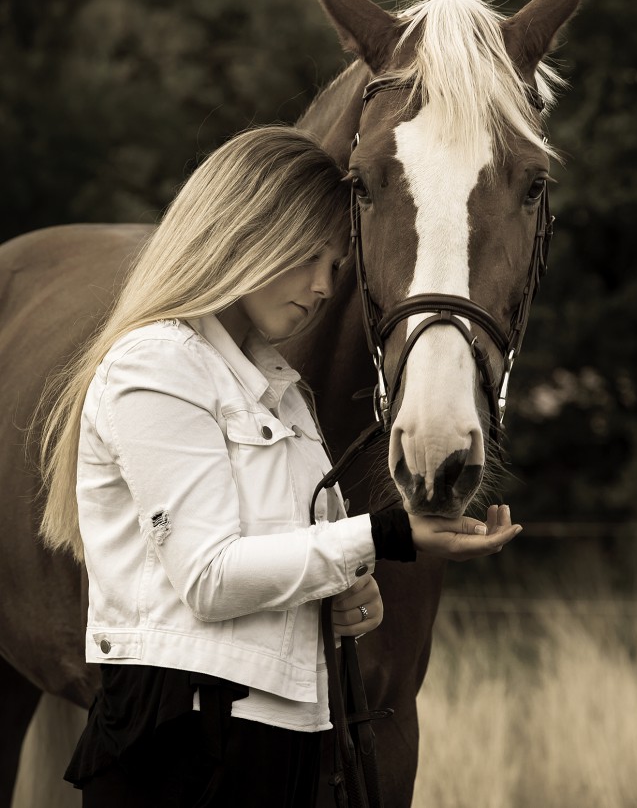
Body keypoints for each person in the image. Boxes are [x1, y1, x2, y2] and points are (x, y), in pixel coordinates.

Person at [38, 126, 522, 808]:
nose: (325, 287)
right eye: (309, 258)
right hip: (181, 742)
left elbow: (278, 566)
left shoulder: (283, 392)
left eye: (337, 265)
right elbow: (209, 579)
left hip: (280, 733)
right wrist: (386, 537)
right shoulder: (156, 366)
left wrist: (346, 600)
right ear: (242, 233)